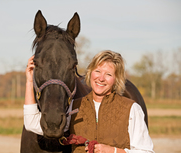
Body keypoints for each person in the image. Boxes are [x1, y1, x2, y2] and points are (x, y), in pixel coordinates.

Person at [24, 51, 155, 153]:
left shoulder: (132, 109)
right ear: (90, 73)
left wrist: (113, 151)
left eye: (108, 74)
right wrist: (30, 81)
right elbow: (32, 123)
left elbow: (146, 151)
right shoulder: (74, 107)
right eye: (97, 71)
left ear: (116, 79)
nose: (101, 78)